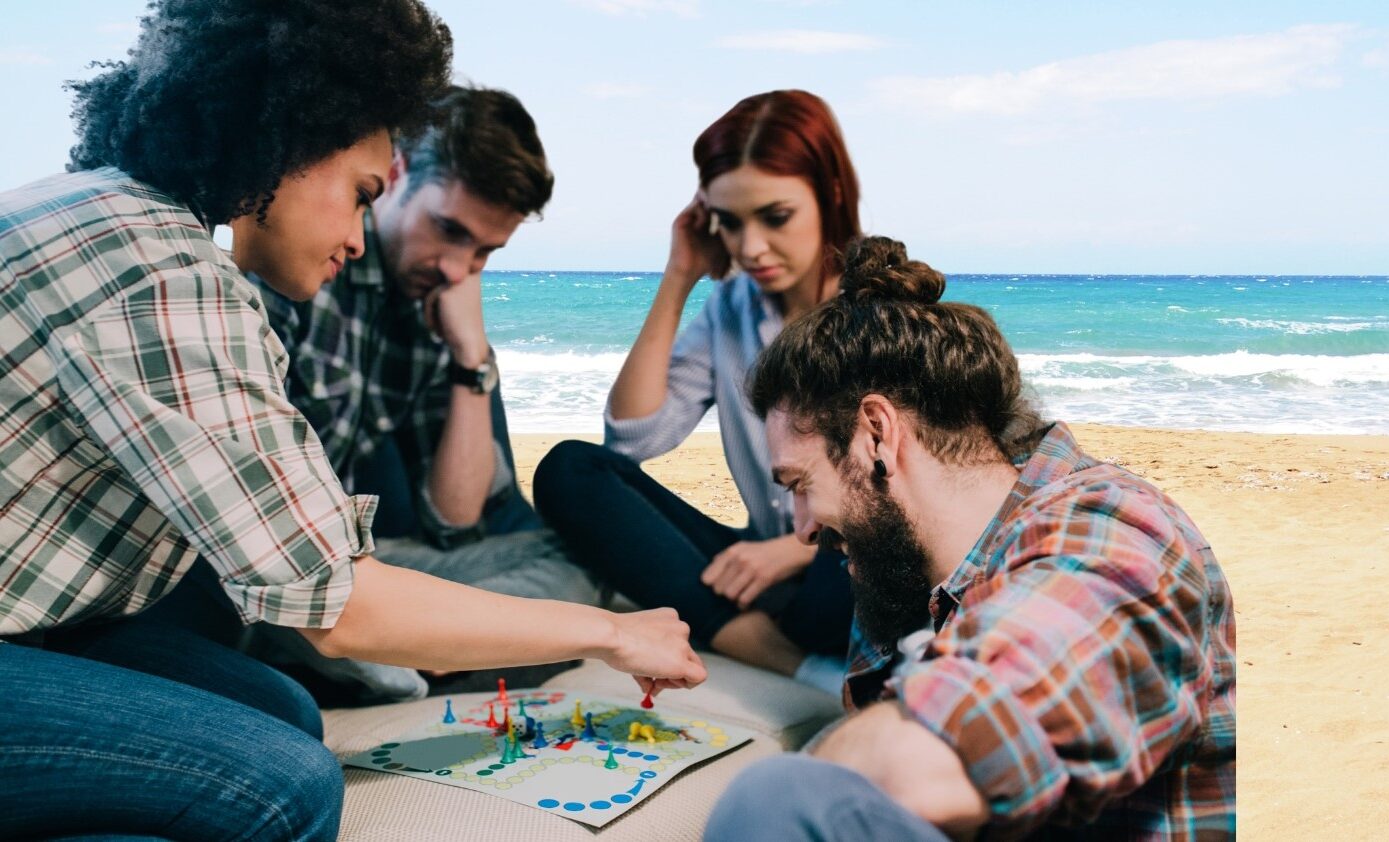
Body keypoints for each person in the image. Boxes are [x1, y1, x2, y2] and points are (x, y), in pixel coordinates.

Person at [0, 3, 702, 840]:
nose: (360, 237)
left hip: (42, 620)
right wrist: (614, 633)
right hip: (60, 625)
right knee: (287, 787)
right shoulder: (167, 276)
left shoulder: (121, 214)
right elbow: (336, 608)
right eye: (363, 194)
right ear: (287, 141)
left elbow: (440, 521)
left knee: (284, 713)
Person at [705, 237, 1236, 839]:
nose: (802, 528)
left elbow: (936, 756)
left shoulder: (1113, 529)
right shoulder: (904, 577)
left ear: (876, 434)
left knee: (778, 797)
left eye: (800, 483)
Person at [247, 85, 600, 702]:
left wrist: (471, 360)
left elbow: (455, 520)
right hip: (280, 569)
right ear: (396, 172)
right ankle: (415, 661)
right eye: (449, 230)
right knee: (372, 651)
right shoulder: (304, 263)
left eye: (485, 253)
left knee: (582, 561)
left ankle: (418, 653)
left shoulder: (439, 305)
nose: (458, 269)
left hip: (368, 564)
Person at [534, 90, 858, 691]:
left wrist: (796, 551)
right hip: (761, 569)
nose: (750, 247)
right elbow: (632, 437)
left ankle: (759, 637)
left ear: (830, 192)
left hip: (843, 571)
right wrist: (680, 275)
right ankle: (780, 656)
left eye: (775, 216)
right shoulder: (732, 307)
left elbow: (914, 497)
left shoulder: (880, 303)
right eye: (731, 223)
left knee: (840, 576)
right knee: (569, 470)